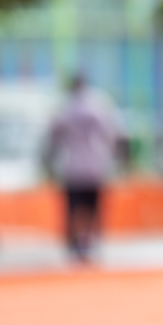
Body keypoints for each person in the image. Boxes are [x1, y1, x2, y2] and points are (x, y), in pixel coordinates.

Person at [44, 74, 122, 263]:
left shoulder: (65, 108)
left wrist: (49, 161)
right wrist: (114, 158)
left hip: (72, 167)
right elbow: (112, 134)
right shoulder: (99, 105)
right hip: (95, 166)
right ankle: (92, 242)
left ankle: (75, 244)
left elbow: (53, 136)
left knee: (74, 208)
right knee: (93, 207)